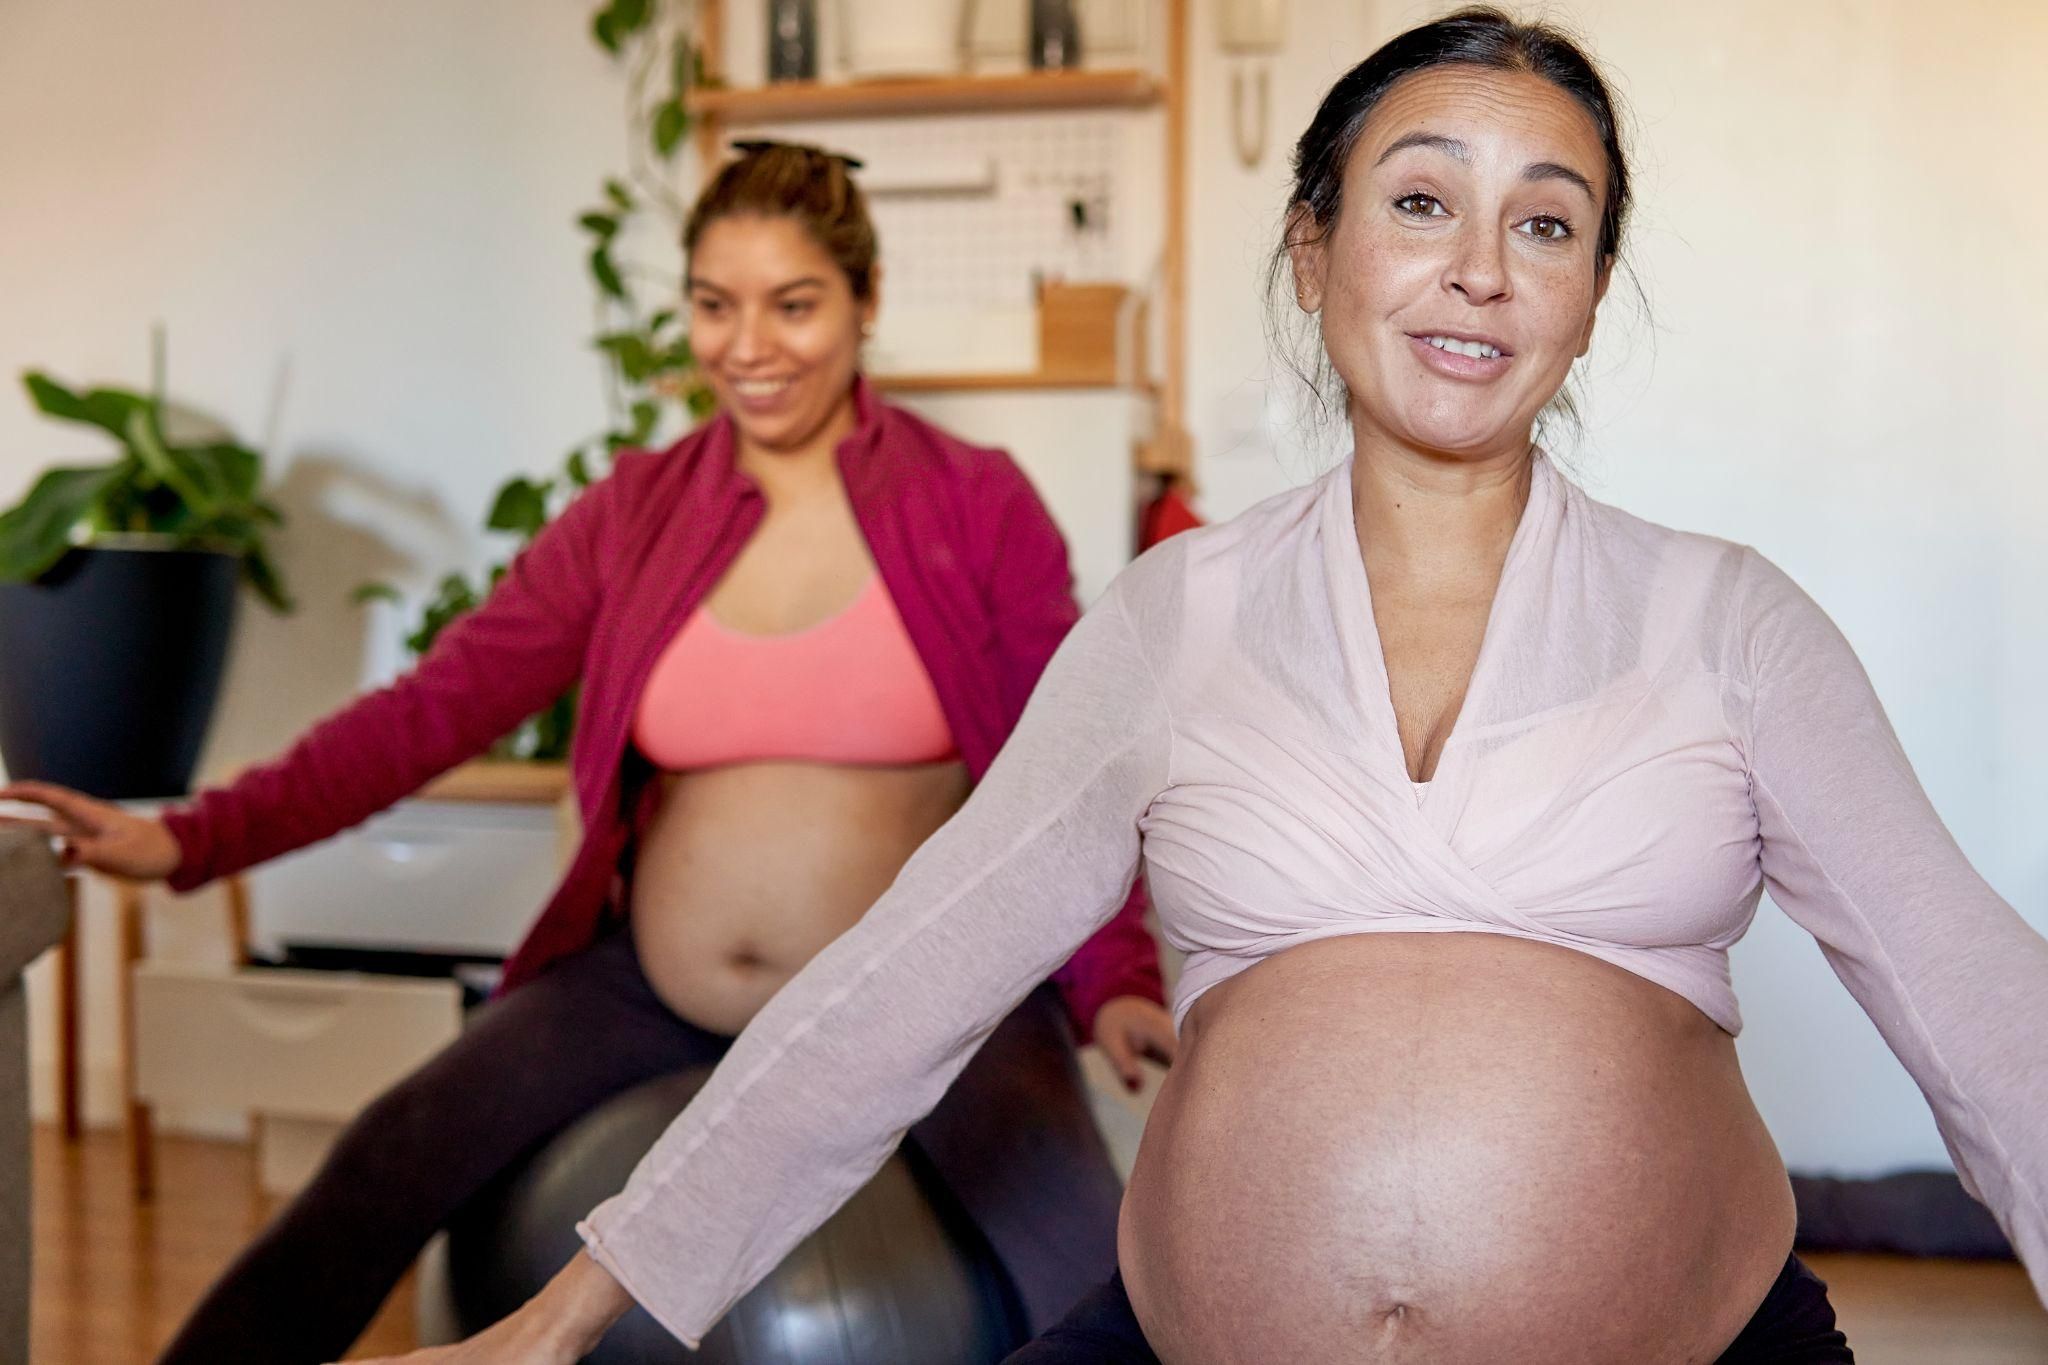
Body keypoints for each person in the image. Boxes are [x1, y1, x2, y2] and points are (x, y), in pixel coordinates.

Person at [365, 10, 2047, 1363]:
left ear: (1586, 301)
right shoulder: (1177, 618)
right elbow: (903, 978)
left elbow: (1976, 1009)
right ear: (1310, 253)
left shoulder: (1728, 622)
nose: (1478, 265)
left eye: (1545, 221)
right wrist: (570, 1317)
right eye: (1418, 200)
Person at [0, 141, 1178, 1363]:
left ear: (864, 304)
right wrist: (193, 837)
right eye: (714, 306)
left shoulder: (973, 502)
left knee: (1088, 1259)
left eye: (794, 304)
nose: (749, 346)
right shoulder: (634, 513)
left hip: (918, 1002)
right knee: (383, 1159)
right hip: (652, 990)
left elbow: (1070, 776)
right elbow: (433, 708)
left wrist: (1115, 981)